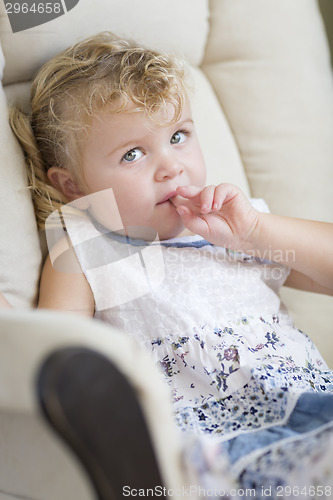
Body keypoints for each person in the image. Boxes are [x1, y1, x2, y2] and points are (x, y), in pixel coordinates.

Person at [9, 32, 333, 497]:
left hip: (314, 409)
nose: (171, 167)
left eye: (178, 136)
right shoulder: (86, 244)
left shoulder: (238, 225)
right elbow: (55, 354)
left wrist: (257, 232)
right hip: (211, 453)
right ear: (75, 188)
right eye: (133, 154)